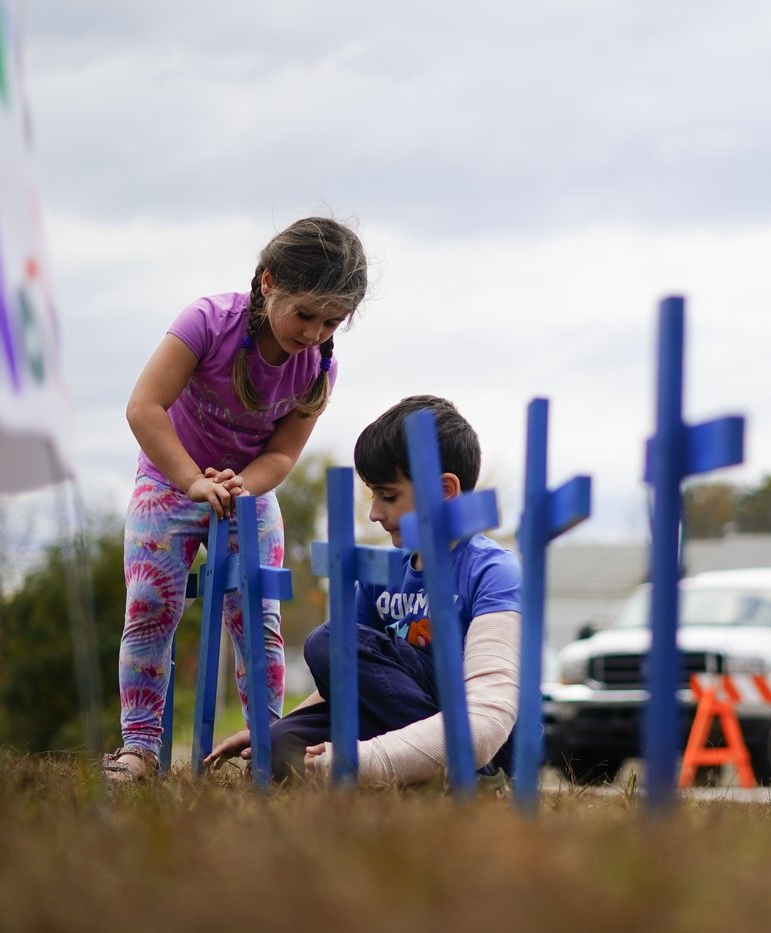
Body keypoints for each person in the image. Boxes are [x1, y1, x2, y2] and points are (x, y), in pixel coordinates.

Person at [103, 217, 368, 782]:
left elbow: (282, 456)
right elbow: (144, 408)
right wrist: (193, 480)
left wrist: (240, 485)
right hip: (169, 481)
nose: (316, 333)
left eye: (333, 322)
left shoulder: (318, 367)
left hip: (248, 491)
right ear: (269, 282)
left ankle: (266, 747)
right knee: (150, 604)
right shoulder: (206, 323)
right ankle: (140, 747)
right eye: (306, 315)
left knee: (258, 615)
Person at [204, 395, 523, 787]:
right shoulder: (382, 575)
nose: (374, 512)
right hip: (403, 715)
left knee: (328, 640)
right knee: (280, 744)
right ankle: (425, 771)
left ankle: (471, 773)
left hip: (484, 733)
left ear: (445, 490)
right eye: (373, 495)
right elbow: (352, 673)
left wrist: (366, 759)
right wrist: (279, 727)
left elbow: (490, 710)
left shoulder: (493, 571)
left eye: (388, 496)